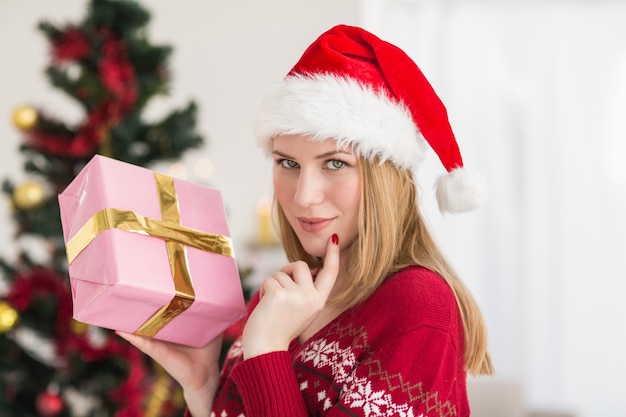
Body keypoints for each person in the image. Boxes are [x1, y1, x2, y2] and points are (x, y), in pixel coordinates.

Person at [118, 24, 494, 417]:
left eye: (335, 163)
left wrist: (266, 351)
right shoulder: (284, 297)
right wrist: (203, 389)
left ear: (386, 180)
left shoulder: (418, 307)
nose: (302, 195)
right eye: (288, 163)